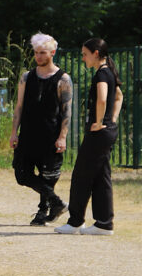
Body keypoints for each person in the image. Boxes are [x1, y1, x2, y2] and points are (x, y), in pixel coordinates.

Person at [56, 38, 124, 235]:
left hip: (99, 132)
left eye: (85, 54)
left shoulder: (102, 73)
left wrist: (100, 120)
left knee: (81, 175)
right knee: (101, 177)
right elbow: (118, 96)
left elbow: (103, 98)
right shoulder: (109, 71)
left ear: (96, 53)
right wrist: (113, 118)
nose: (83, 58)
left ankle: (75, 221)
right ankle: (104, 223)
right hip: (107, 130)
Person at [10, 33, 72, 226]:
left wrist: (62, 137)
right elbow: (19, 106)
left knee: (49, 176)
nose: (39, 56)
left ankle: (43, 211)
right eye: (36, 53)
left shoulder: (63, 79)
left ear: (52, 53)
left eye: (43, 53)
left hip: (50, 135)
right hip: (28, 134)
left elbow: (67, 111)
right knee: (22, 175)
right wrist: (14, 132)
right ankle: (57, 202)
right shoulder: (26, 77)